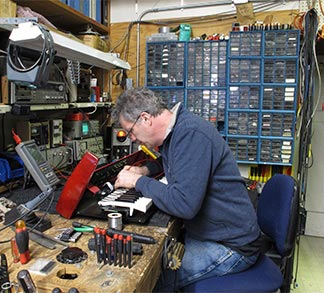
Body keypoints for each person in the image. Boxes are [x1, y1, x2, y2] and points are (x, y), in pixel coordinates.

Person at [110, 87, 266, 291]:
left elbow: (184, 204)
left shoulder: (190, 133)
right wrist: (144, 170)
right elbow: (173, 160)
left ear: (145, 118)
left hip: (233, 246)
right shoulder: (177, 131)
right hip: (213, 234)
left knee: (154, 277)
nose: (132, 139)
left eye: (130, 131)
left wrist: (137, 182)